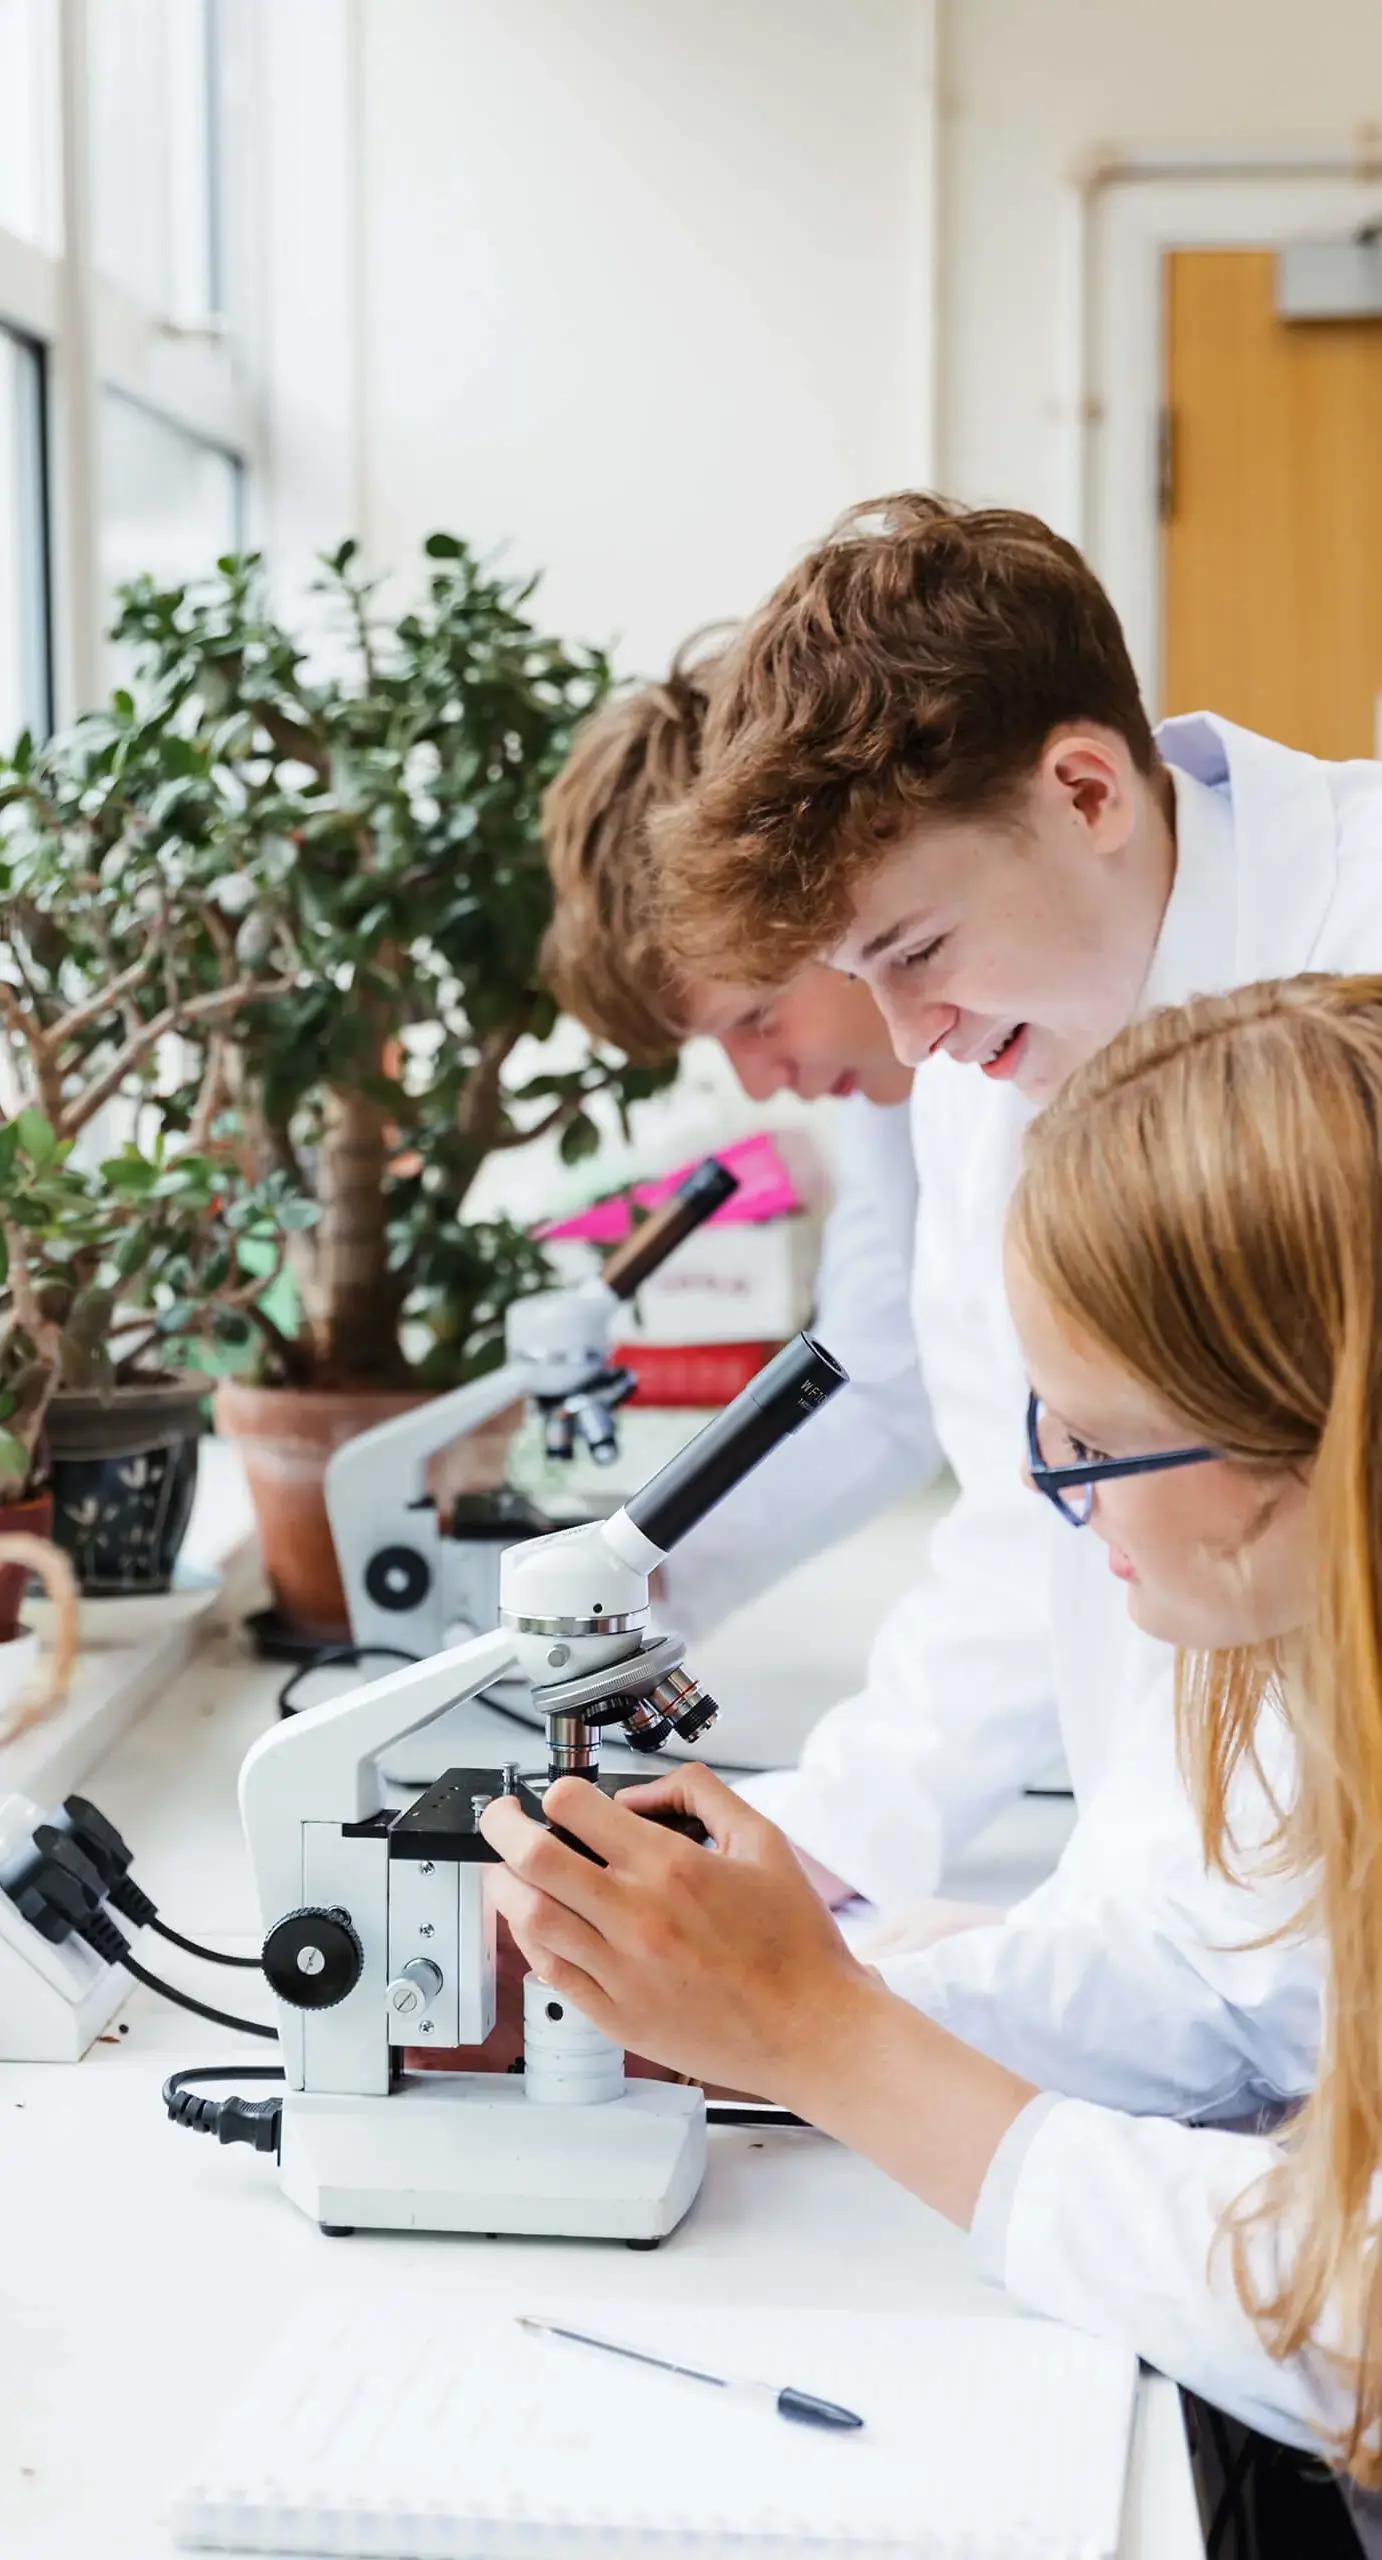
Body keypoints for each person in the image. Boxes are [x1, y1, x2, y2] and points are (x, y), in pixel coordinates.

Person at [481, 978, 1382, 2542]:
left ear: (1315, 1445)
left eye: (1093, 1446)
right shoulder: (1303, 1673)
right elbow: (1238, 1981)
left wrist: (826, 2039)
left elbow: (1350, 2319)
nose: (1059, 1499)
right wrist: (738, 1994)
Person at [600, 490, 1382, 2114]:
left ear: (1086, 787)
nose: (901, 1035)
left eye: (912, 944)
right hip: (1193, 1978)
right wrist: (805, 1858)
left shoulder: (1349, 963)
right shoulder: (984, 1050)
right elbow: (1032, 1524)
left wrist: (887, 2003)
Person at [540, 635, 942, 1687]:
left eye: (757, 1017)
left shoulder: (999, 1039)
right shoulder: (886, 1096)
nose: (760, 1086)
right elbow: (875, 1379)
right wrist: (645, 1581)